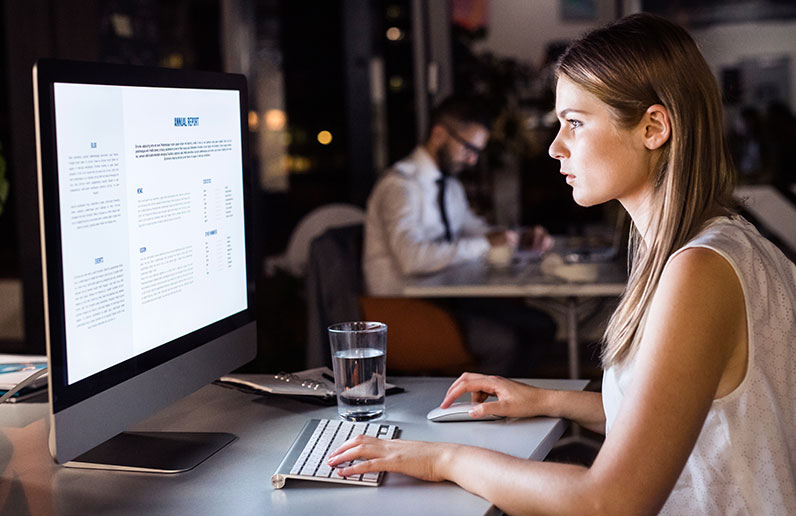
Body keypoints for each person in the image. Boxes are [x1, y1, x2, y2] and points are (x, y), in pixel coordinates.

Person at [329, 13, 796, 514]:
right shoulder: (722, 241)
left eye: (574, 122)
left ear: (653, 127)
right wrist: (548, 400)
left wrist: (442, 458)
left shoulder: (699, 270)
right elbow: (681, 417)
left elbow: (610, 501)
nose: (555, 147)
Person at [362, 94, 555, 375]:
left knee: (541, 325)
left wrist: (518, 237)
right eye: (468, 148)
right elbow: (411, 259)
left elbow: (475, 230)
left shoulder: (449, 186)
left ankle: (509, 407)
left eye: (477, 152)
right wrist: (483, 244)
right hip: (404, 309)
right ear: (439, 134)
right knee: (507, 341)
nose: (472, 160)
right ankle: (482, 410)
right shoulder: (399, 186)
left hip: (443, 297)